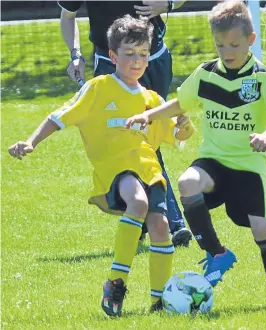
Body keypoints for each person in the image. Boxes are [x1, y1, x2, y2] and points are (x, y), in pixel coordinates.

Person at [8, 15, 194, 316]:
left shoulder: (152, 99)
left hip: (149, 169)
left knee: (161, 228)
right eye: (129, 54)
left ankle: (159, 302)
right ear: (113, 56)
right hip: (115, 167)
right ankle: (116, 284)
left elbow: (175, 134)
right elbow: (59, 116)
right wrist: (31, 142)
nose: (137, 61)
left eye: (143, 54)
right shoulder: (99, 88)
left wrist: (184, 126)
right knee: (137, 202)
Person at [126, 1, 266, 307]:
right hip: (214, 162)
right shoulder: (206, 74)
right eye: (220, 45)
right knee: (187, 181)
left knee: (262, 228)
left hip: (248, 166)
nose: (227, 51)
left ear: (250, 41)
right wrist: (150, 115)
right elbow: (181, 102)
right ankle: (217, 253)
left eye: (234, 44)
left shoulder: (261, 78)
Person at [58, 0, 192, 247]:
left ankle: (143, 217)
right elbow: (68, 16)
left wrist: (169, 4)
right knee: (132, 136)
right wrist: (75, 55)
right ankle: (171, 222)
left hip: (155, 58)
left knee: (146, 135)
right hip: (110, 62)